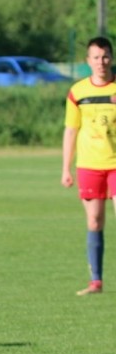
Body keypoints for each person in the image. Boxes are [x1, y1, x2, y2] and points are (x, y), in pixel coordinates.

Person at [61, 36, 116, 296]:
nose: (101, 62)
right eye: (96, 57)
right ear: (88, 61)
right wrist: (66, 168)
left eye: (105, 56)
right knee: (94, 221)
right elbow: (71, 130)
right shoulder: (78, 92)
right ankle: (96, 281)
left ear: (111, 58)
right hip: (89, 165)